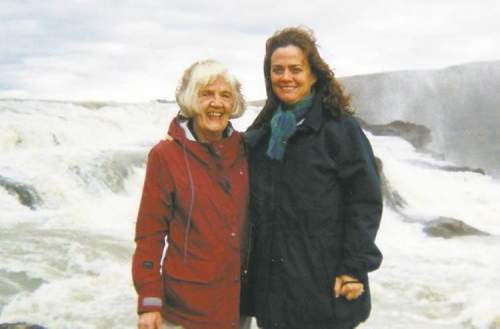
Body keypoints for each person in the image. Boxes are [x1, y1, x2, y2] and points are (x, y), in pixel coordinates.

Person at [243, 27, 383, 329]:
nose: (286, 77)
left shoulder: (340, 130)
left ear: (314, 75)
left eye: (296, 69)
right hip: (273, 294)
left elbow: (365, 201)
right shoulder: (263, 133)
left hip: (325, 288)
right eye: (277, 70)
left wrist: (354, 268)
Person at [132, 59, 251, 329]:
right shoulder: (165, 155)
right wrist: (149, 301)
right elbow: (150, 234)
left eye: (225, 95)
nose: (217, 103)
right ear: (190, 100)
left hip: (238, 305)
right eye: (206, 94)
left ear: (234, 104)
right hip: (187, 310)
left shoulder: (245, 149)